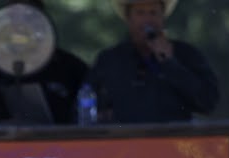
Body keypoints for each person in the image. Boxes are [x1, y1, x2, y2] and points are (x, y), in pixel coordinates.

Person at [88, 0, 220, 124]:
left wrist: (170, 64)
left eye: (153, 13)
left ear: (163, 17)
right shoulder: (109, 60)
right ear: (128, 19)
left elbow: (209, 102)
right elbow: (86, 106)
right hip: (123, 145)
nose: (148, 20)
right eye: (140, 13)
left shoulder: (186, 54)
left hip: (174, 144)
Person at [0, 0, 92, 124]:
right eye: (13, 18)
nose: (20, 25)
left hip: (63, 141)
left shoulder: (71, 67)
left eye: (28, 17)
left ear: (42, 21)